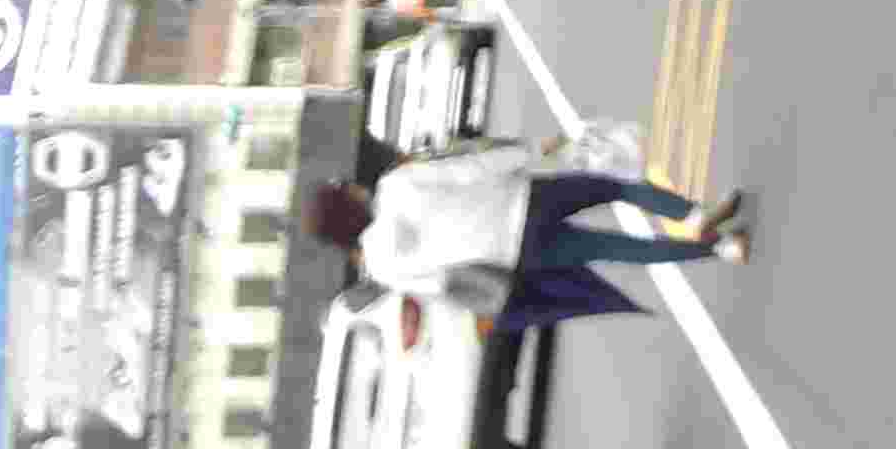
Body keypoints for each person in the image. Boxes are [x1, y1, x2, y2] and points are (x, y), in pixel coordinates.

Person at [305, 134, 751, 334]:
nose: (355, 188)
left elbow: (443, 285)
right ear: (349, 204)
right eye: (347, 191)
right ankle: (694, 217)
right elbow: (471, 169)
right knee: (614, 186)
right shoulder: (395, 186)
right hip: (525, 200)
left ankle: (725, 248)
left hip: (516, 254)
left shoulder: (384, 268)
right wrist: (530, 151)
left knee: (620, 249)